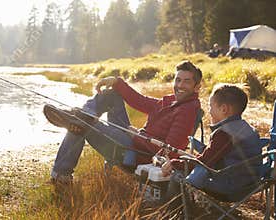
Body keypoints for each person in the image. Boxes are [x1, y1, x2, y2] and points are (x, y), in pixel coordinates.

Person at [43, 60, 202, 183]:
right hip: (134, 140)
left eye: (186, 81)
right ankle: (81, 116)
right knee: (111, 96)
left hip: (137, 154)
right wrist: (116, 82)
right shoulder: (172, 102)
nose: (180, 85)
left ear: (197, 87)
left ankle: (61, 174)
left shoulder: (187, 111)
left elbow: (170, 152)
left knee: (85, 124)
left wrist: (135, 136)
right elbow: (140, 101)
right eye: (178, 80)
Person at [161, 84, 262, 209]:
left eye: (211, 106)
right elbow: (214, 156)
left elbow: (205, 162)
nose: (209, 111)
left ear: (224, 109)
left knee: (177, 176)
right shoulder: (246, 127)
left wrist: (174, 163)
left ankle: (173, 212)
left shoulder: (224, 134)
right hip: (250, 184)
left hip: (231, 187)